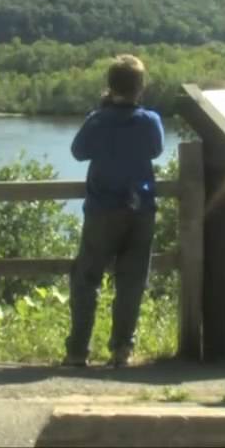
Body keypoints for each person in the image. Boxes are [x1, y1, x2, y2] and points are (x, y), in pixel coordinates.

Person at [63, 54, 166, 368]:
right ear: (140, 87)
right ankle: (122, 349)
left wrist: (103, 112)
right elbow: (156, 150)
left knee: (87, 280)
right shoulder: (150, 121)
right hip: (140, 211)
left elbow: (78, 152)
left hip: (102, 211)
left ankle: (78, 351)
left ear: (109, 85)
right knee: (132, 282)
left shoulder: (97, 119)